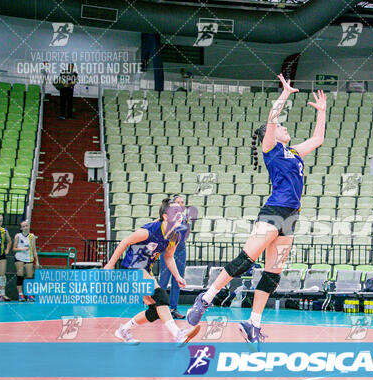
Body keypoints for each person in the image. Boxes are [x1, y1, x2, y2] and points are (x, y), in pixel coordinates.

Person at [187, 74, 327, 345]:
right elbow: (272, 121)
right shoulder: (271, 148)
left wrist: (321, 112)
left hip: (291, 217)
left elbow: (318, 139)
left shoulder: (294, 153)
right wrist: (284, 94)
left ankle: (253, 323)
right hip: (274, 211)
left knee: (273, 274)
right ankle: (205, 299)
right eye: (281, 128)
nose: (286, 129)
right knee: (244, 262)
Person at [104, 199, 199, 344]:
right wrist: (110, 265)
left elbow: (168, 257)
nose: (180, 215)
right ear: (166, 216)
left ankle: (124, 330)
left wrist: (178, 276)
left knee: (155, 310)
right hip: (132, 267)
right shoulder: (149, 231)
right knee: (161, 295)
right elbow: (124, 242)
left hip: (145, 269)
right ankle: (178, 334)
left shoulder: (175, 236)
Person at [159, 195, 189, 319]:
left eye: (182, 202)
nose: (181, 204)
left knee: (178, 280)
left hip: (180, 251)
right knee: (164, 280)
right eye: (178, 202)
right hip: (167, 251)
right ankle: (159, 308)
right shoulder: (166, 217)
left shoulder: (186, 218)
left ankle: (173, 308)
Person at [13, 221, 39, 302]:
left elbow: (34, 250)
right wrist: (22, 249)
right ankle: (20, 295)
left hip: (29, 258)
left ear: (29, 226)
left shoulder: (32, 236)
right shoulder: (18, 236)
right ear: (21, 228)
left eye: (26, 226)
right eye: (23, 226)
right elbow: (14, 249)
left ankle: (30, 294)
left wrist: (37, 261)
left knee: (29, 277)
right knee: (20, 276)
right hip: (19, 258)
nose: (25, 227)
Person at [0, 214, 12, 301]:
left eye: (0, 221)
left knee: (2, 275)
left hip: (1, 255)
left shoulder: (4, 231)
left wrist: (7, 249)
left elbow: (9, 241)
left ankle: (2, 295)